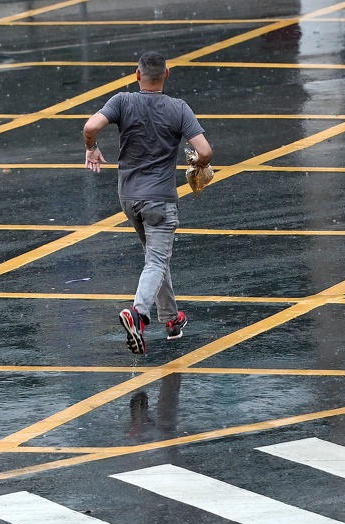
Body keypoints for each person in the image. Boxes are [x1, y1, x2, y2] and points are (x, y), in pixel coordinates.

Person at [83, 51, 213, 355]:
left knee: (156, 257)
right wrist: (197, 162)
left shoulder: (122, 101)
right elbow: (205, 151)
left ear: (137, 75)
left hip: (129, 198)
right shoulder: (179, 109)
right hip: (161, 201)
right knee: (156, 260)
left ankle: (171, 319)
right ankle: (138, 314)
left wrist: (91, 148)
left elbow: (90, 128)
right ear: (167, 75)